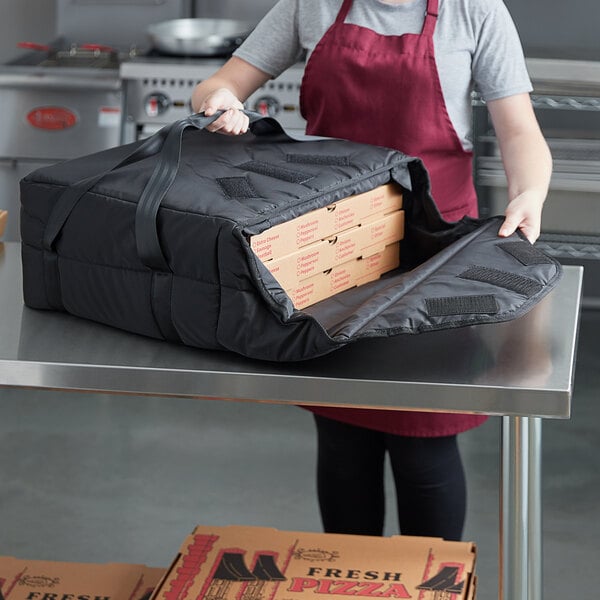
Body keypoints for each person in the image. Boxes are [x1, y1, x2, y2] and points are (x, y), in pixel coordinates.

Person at [190, 0, 552, 541]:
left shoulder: (473, 10)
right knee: (342, 436)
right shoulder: (310, 5)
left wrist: (531, 193)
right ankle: (350, 581)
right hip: (334, 248)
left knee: (424, 440)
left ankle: (431, 584)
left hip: (434, 254)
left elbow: (518, 128)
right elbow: (222, 83)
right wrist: (218, 101)